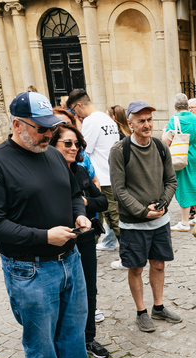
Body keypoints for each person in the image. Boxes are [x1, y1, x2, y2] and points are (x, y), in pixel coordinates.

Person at [0, 91, 101, 358]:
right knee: (40, 336)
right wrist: (44, 236)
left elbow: (75, 193)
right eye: (41, 128)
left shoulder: (54, 156)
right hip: (28, 268)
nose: (49, 135)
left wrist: (79, 215)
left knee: (74, 326)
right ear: (17, 125)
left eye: (51, 128)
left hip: (69, 258)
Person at [109, 100, 181, 333]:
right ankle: (141, 311)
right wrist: (142, 211)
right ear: (130, 124)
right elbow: (119, 191)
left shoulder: (161, 147)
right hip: (133, 224)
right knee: (136, 268)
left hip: (160, 221)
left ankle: (158, 307)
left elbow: (171, 181)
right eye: (141, 121)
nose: (147, 124)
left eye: (149, 120)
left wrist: (163, 204)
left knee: (158, 265)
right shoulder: (120, 151)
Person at [49, 124, 110, 358]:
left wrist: (83, 202)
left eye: (77, 144)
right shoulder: (47, 175)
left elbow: (102, 201)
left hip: (85, 240)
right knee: (65, 296)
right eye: (68, 143)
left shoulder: (80, 172)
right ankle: (68, 347)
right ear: (53, 145)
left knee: (89, 290)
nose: (74, 148)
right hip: (59, 244)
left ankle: (88, 339)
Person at [67, 89, 121, 254]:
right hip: (111, 173)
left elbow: (82, 150)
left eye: (74, 110)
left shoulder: (91, 121)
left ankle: (129, 255)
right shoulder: (107, 119)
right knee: (107, 216)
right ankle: (106, 243)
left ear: (79, 105)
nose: (76, 114)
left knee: (113, 218)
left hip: (101, 177)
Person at [164, 93, 196, 232]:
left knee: (183, 186)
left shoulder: (173, 119)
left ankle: (185, 222)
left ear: (175, 106)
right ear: (187, 105)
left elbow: (167, 141)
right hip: (195, 153)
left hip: (181, 154)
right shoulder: (194, 117)